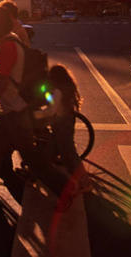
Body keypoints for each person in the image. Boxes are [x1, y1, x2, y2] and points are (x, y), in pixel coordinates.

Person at [0, 5, 67, 208]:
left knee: (33, 161)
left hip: (14, 113)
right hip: (12, 112)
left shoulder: (7, 47)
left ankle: (66, 189)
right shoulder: (13, 41)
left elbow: (3, 82)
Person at [33, 65, 91, 194]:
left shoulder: (57, 92)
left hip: (61, 125)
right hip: (65, 122)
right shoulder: (65, 88)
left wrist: (36, 114)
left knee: (69, 154)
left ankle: (84, 182)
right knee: (50, 151)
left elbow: (51, 110)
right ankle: (36, 173)